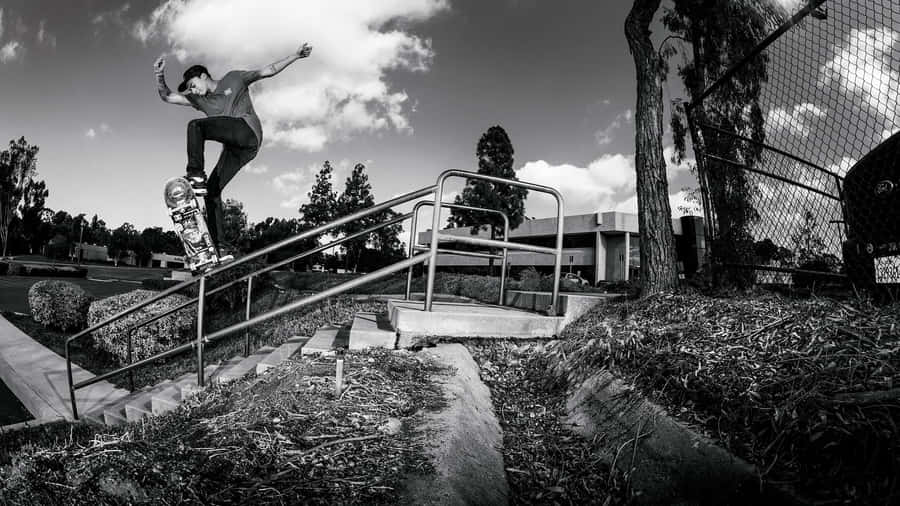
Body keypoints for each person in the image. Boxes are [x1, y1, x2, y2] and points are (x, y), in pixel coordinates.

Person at [153, 42, 313, 258]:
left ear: (202, 75)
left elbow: (268, 71)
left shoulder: (234, 78)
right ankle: (220, 247)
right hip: (241, 150)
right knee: (212, 192)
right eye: (190, 90)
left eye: (192, 85)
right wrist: (159, 74)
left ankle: (195, 174)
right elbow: (167, 97)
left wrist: (295, 55)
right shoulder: (199, 101)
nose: (193, 91)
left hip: (247, 131)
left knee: (195, 126)